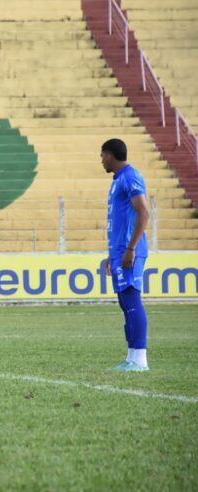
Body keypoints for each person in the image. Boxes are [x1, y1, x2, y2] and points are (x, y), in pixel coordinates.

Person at [101, 138, 150, 372]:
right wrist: (111, 256)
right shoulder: (119, 180)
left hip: (131, 251)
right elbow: (119, 222)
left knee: (132, 301)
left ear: (110, 155)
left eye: (102, 156)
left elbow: (144, 212)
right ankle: (131, 357)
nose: (101, 161)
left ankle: (140, 359)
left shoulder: (130, 177)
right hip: (120, 252)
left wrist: (131, 249)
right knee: (124, 303)